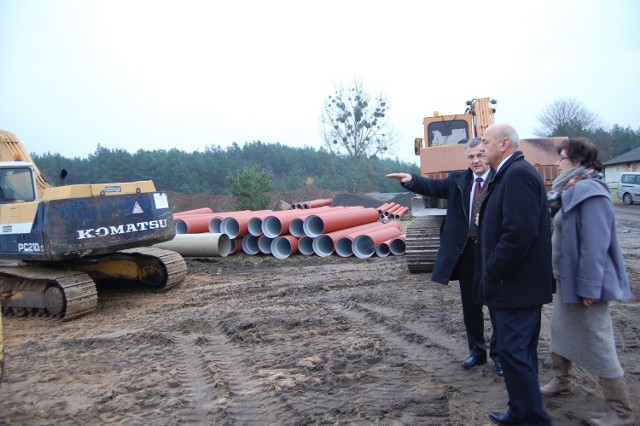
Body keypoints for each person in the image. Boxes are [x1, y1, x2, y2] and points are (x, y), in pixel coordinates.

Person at [386, 138, 501, 376]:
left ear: (487, 154)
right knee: (471, 306)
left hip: (492, 251)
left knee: (498, 305)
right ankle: (477, 352)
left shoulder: (501, 178)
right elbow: (433, 187)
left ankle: (500, 356)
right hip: (467, 250)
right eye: (471, 157)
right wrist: (411, 180)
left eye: (480, 155)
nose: (476, 161)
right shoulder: (458, 179)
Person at [540, 138, 635, 426]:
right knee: (560, 329)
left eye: (562, 158)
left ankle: (621, 412)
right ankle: (561, 380)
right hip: (568, 279)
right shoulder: (567, 190)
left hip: (587, 284)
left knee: (598, 342)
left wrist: (590, 287)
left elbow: (595, 245)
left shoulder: (591, 192)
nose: (557, 163)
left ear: (578, 162)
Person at [476, 123, 553, 425]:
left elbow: (519, 234)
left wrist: (494, 268)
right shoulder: (507, 174)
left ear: (504, 144)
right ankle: (520, 410)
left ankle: (533, 418)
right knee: (519, 353)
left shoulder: (518, 175)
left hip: (516, 286)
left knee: (514, 353)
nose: (481, 148)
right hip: (514, 286)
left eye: (485, 141)